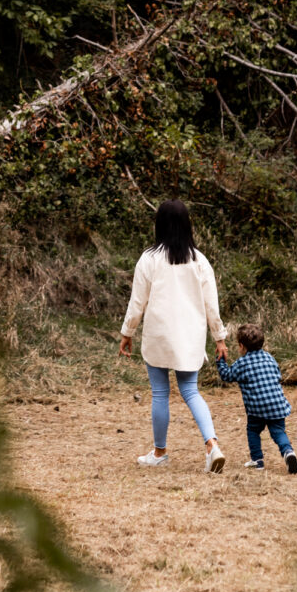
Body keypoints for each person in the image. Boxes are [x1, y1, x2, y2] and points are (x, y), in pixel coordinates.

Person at [118, 199, 227, 472]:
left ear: (160, 225)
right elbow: (211, 305)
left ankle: (159, 452)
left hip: (158, 335)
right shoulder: (199, 260)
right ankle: (212, 445)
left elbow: (137, 301)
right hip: (189, 337)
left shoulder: (149, 259)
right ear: (187, 225)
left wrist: (127, 332)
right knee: (191, 391)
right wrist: (220, 338)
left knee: (160, 393)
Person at [217, 322, 297, 473]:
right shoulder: (269, 358)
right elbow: (278, 375)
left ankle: (257, 460)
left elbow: (227, 376)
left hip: (257, 408)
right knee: (279, 432)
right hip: (277, 405)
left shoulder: (242, 363)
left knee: (253, 431)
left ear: (241, 346)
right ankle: (288, 452)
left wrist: (221, 361)